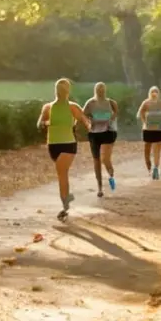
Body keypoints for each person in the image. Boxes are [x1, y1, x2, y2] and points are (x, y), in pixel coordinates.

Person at [37, 78, 91, 220]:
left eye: (63, 89)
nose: (61, 92)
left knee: (62, 173)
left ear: (67, 91)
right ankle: (67, 199)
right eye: (59, 89)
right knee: (62, 174)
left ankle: (64, 207)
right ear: (56, 91)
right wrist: (47, 122)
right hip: (53, 145)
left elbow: (85, 120)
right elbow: (39, 124)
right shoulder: (48, 107)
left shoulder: (73, 107)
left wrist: (92, 129)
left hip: (68, 143)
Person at [83, 82, 119, 197]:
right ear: (95, 90)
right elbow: (82, 115)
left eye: (102, 89)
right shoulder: (90, 103)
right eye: (98, 88)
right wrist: (88, 124)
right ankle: (99, 187)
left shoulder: (111, 102)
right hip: (94, 133)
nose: (100, 91)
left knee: (105, 159)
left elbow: (115, 114)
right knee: (96, 160)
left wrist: (110, 119)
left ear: (105, 90)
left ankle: (110, 176)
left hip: (108, 132)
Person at [136, 86, 161, 180]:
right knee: (147, 149)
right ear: (149, 93)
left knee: (157, 150)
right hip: (147, 130)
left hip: (158, 129)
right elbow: (139, 114)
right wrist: (144, 121)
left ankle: (156, 169)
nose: (154, 93)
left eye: (156, 92)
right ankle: (149, 165)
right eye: (152, 92)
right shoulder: (146, 103)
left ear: (159, 93)